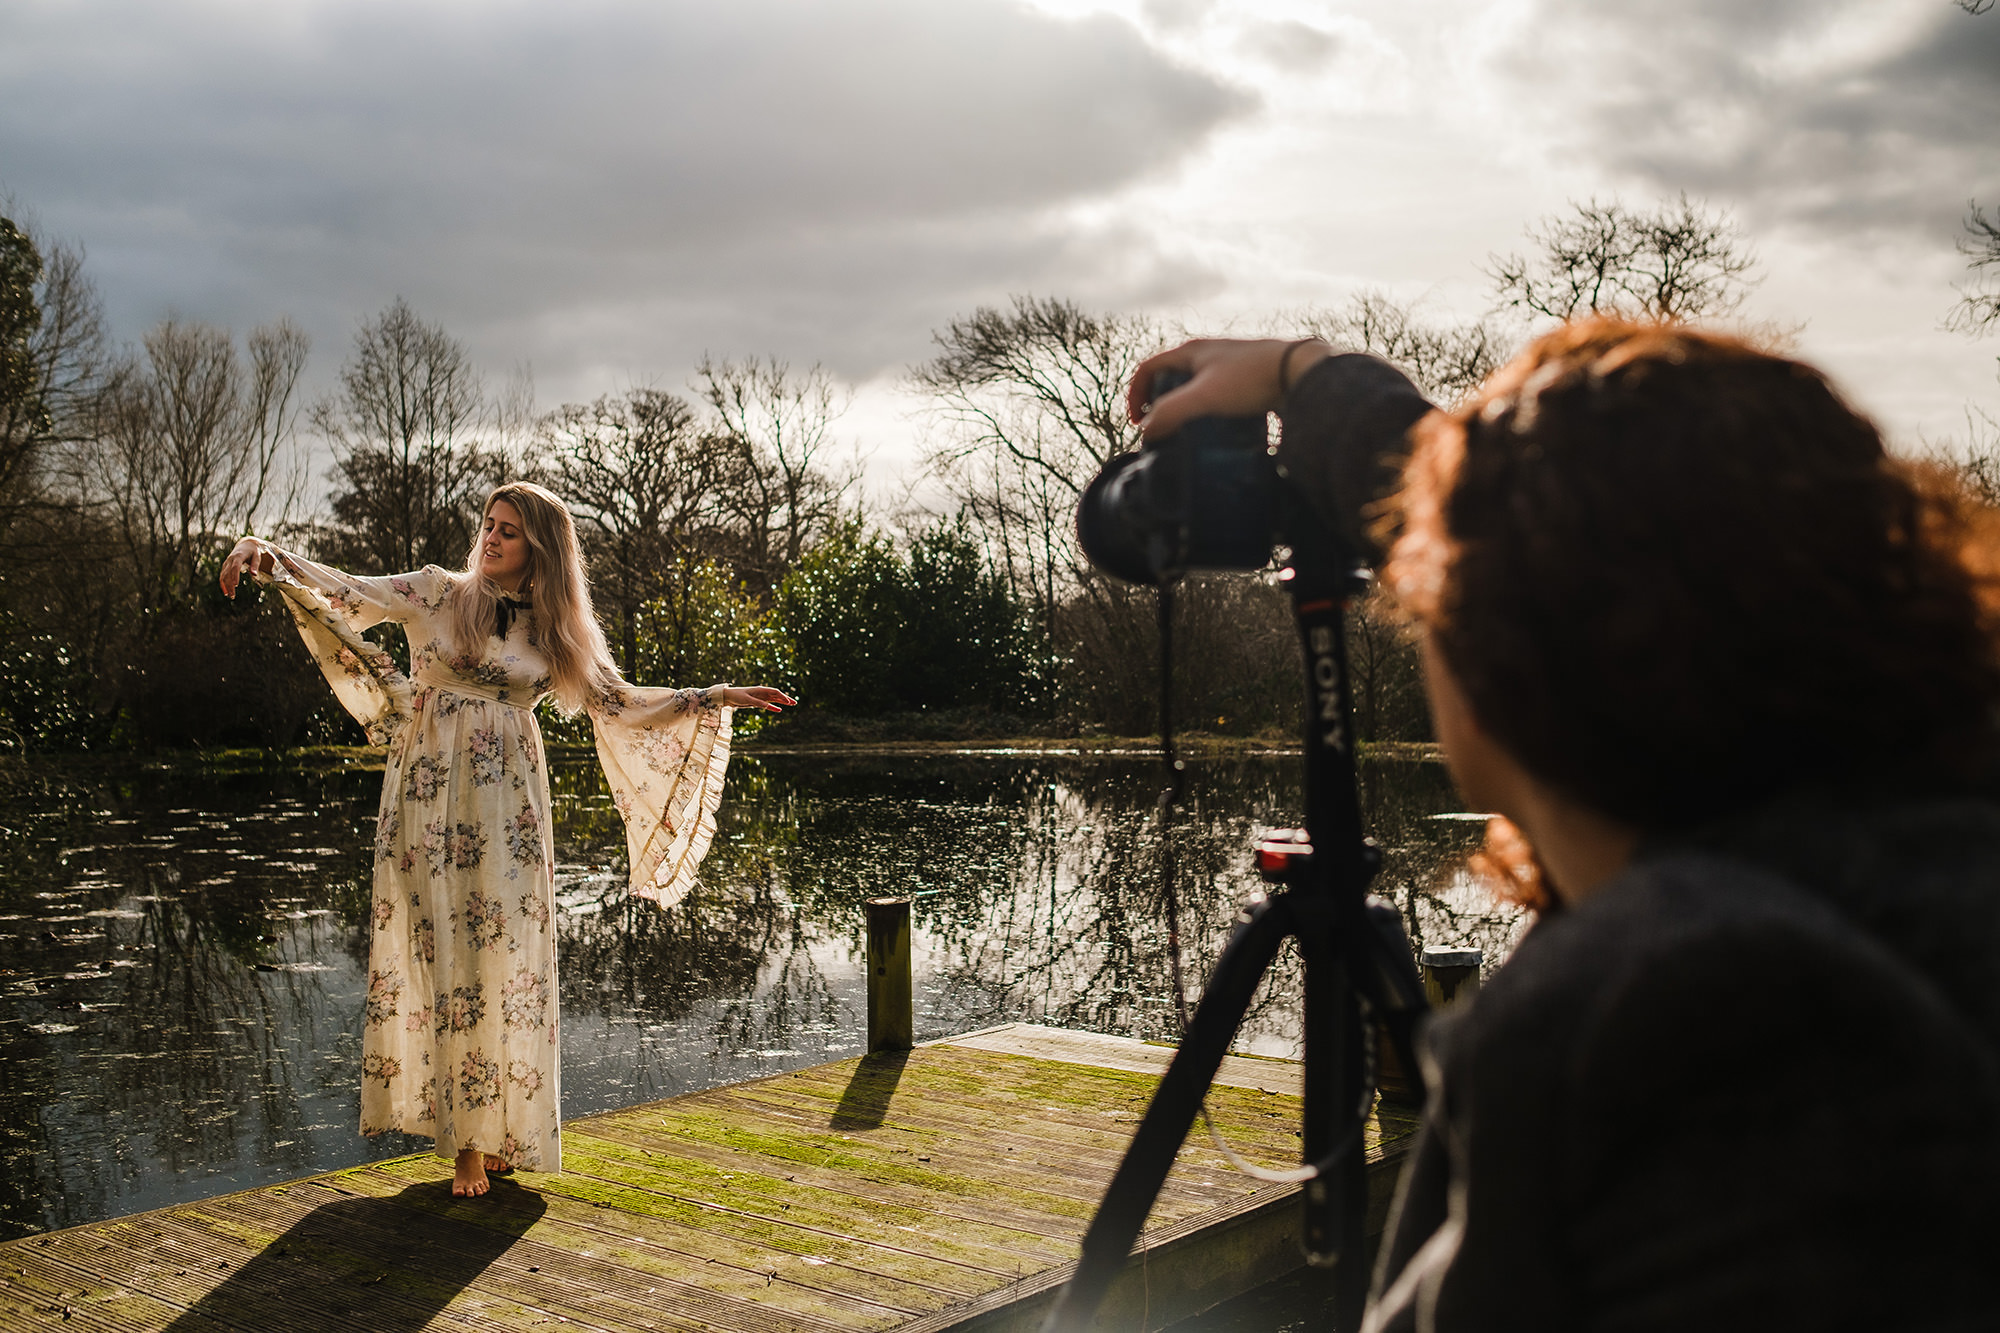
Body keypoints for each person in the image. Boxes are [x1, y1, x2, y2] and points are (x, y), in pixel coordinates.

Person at [1130, 322, 2000, 1328]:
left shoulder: (1703, 1007)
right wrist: (1303, 376)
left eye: (1435, 578)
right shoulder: (1921, 842)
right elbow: (1615, 540)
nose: (1425, 605)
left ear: (1513, 639)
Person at [219, 482, 793, 1197]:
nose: (490, 539)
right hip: (428, 802)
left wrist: (714, 696)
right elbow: (349, 590)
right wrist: (267, 555)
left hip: (509, 812)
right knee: (448, 959)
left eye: (509, 531)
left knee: (504, 962)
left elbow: (618, 702)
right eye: (489, 525)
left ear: (541, 549)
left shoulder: (557, 635)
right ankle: (464, 1143)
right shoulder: (436, 592)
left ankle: (501, 1133)